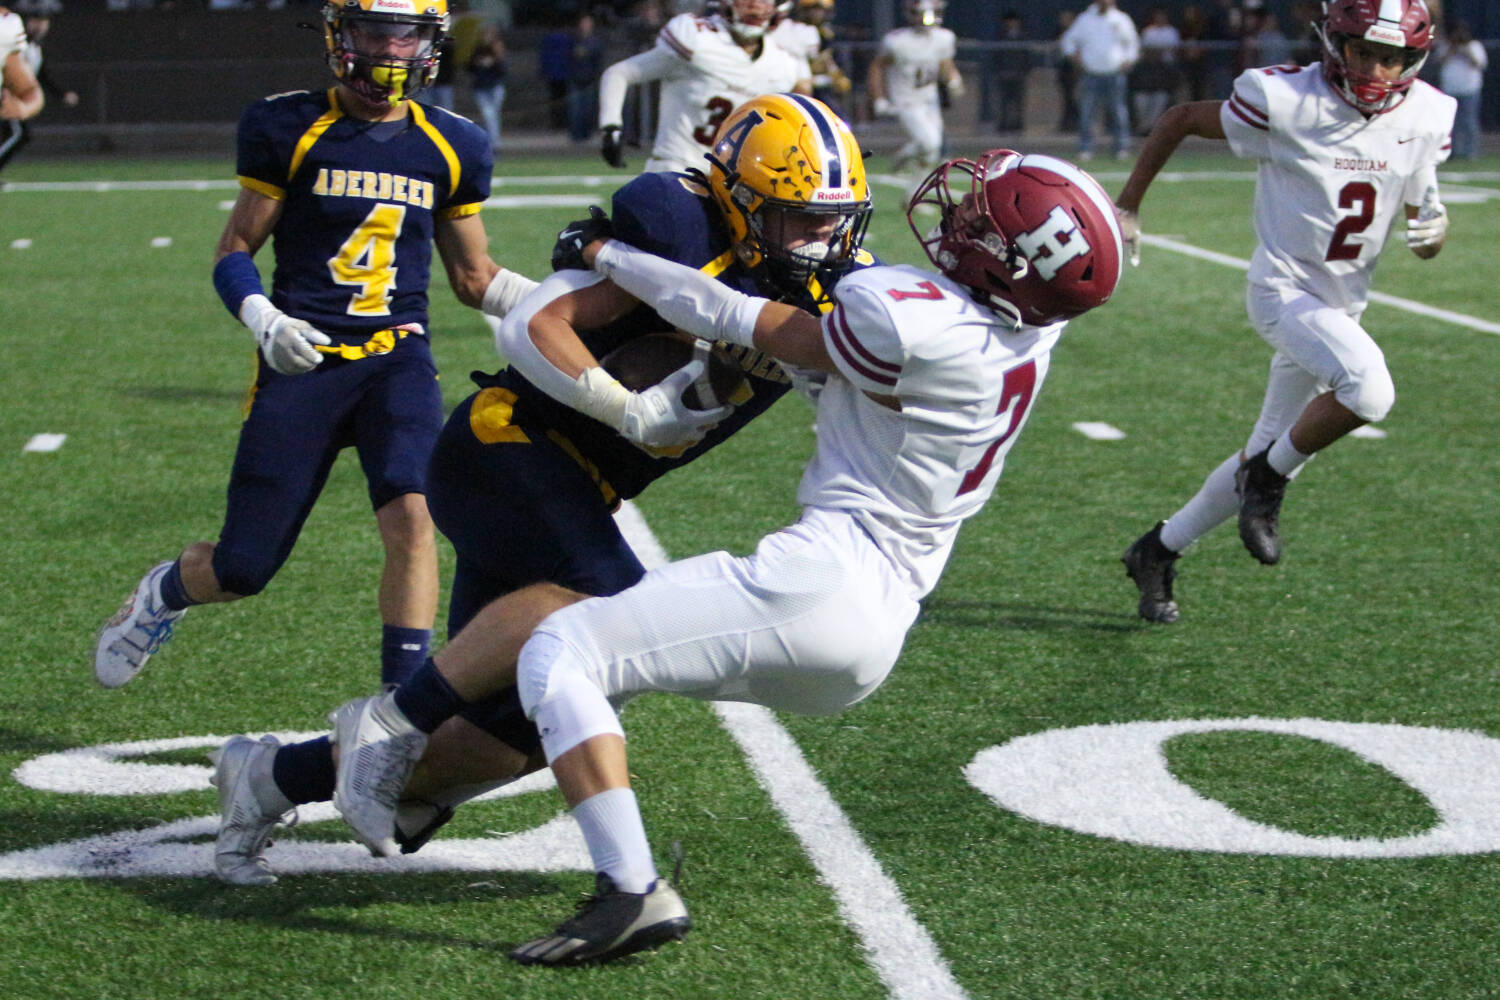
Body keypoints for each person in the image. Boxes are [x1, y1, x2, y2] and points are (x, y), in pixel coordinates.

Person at [323, 146, 1123, 965]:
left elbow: (730, 314)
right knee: (574, 681)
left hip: (823, 581)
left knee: (565, 645)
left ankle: (626, 888)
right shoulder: (1027, 335)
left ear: (1003, 260)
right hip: (879, 625)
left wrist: (607, 255)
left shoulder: (904, 311)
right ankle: (396, 788)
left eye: (979, 219)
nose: (957, 215)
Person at [205, 93, 877, 887]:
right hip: (506, 447)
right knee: (606, 608)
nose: (822, 238)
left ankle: (273, 777)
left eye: (835, 218)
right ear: (740, 200)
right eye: (799, 217)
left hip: (582, 488)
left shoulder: (842, 291)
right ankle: (390, 718)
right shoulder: (677, 226)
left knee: (508, 737)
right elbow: (531, 325)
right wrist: (621, 404)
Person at [93, 0, 539, 696]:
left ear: (429, 45)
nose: (389, 51)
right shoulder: (288, 125)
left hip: (398, 356)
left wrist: (569, 305)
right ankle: (167, 590)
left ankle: (402, 707)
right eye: (372, 31)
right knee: (243, 569)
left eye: (404, 34)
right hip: (302, 361)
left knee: (416, 517)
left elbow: (473, 277)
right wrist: (264, 318)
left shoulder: (456, 143)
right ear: (339, 35)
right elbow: (235, 247)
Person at [1116, 0, 1453, 625]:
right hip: (1283, 291)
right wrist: (1129, 204)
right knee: (1369, 391)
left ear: (1412, 58)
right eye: (1363, 52)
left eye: (1390, 57)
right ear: (1335, 45)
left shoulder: (1429, 113)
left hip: (1341, 306)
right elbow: (1180, 118)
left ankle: (1156, 551)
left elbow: (1421, 210)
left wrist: (1430, 228)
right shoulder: (1286, 100)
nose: (1376, 70)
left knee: (1263, 449)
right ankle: (1269, 485)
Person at [596, 0, 811, 174]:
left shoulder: (783, 65)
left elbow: (801, 117)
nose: (754, 4)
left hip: (734, 183)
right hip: (676, 170)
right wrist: (610, 127)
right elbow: (619, 73)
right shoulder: (696, 38)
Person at [868, 0, 963, 172]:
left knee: (932, 149)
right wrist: (879, 98)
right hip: (906, 100)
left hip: (929, 99)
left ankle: (910, 183)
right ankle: (906, 159)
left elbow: (944, 63)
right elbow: (877, 67)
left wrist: (953, 78)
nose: (928, 18)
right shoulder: (897, 41)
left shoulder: (943, 38)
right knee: (930, 143)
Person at [1060, 0, 1139, 161]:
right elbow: (1068, 41)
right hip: (1091, 74)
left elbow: (1132, 43)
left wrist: (1129, 60)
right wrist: (1075, 58)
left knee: (1118, 112)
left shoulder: (1121, 19)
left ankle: (1121, 147)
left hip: (1115, 74)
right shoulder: (1085, 19)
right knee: (1087, 113)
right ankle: (1085, 148)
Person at [771, 0, 851, 114]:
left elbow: (828, 63)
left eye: (820, 10)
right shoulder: (790, 29)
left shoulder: (827, 35)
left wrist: (836, 76)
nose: (817, 14)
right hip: (786, 85)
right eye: (813, 10)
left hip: (813, 88)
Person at [0, 1, 44, 170]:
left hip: (8, 97)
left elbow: (30, 87)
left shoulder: (7, 30)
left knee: (19, 134)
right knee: (18, 134)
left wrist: (23, 107)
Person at [1438, 20, 1485, 160]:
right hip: (1450, 89)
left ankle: (1471, 151)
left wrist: (1466, 50)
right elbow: (1439, 61)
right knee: (1451, 123)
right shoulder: (1446, 46)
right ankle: (1452, 152)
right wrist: (1452, 48)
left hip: (1470, 89)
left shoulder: (1474, 46)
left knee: (1469, 121)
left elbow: (1479, 63)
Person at [1131, 6, 1179, 135]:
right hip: (1148, 71)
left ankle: (1151, 127)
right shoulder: (1148, 31)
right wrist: (1155, 52)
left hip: (1165, 70)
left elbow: (1172, 50)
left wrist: (1158, 51)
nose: (1160, 19)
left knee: (1160, 98)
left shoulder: (1171, 31)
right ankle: (1144, 127)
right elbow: (1146, 50)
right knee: (1141, 100)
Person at [465, 23, 506, 153]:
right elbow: (469, 67)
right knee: (488, 114)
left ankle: (494, 141)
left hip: (494, 86)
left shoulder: (497, 49)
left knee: (493, 115)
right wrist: (477, 63)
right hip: (481, 86)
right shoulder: (478, 49)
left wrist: (492, 62)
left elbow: (503, 70)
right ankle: (493, 142)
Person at [989, 10, 1032, 133]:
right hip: (1004, 74)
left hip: (1018, 75)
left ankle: (1018, 126)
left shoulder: (1023, 36)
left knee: (1018, 102)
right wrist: (998, 70)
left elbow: (1027, 55)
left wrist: (1026, 70)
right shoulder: (1000, 36)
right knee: (1003, 102)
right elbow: (996, 55)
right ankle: (1003, 126)